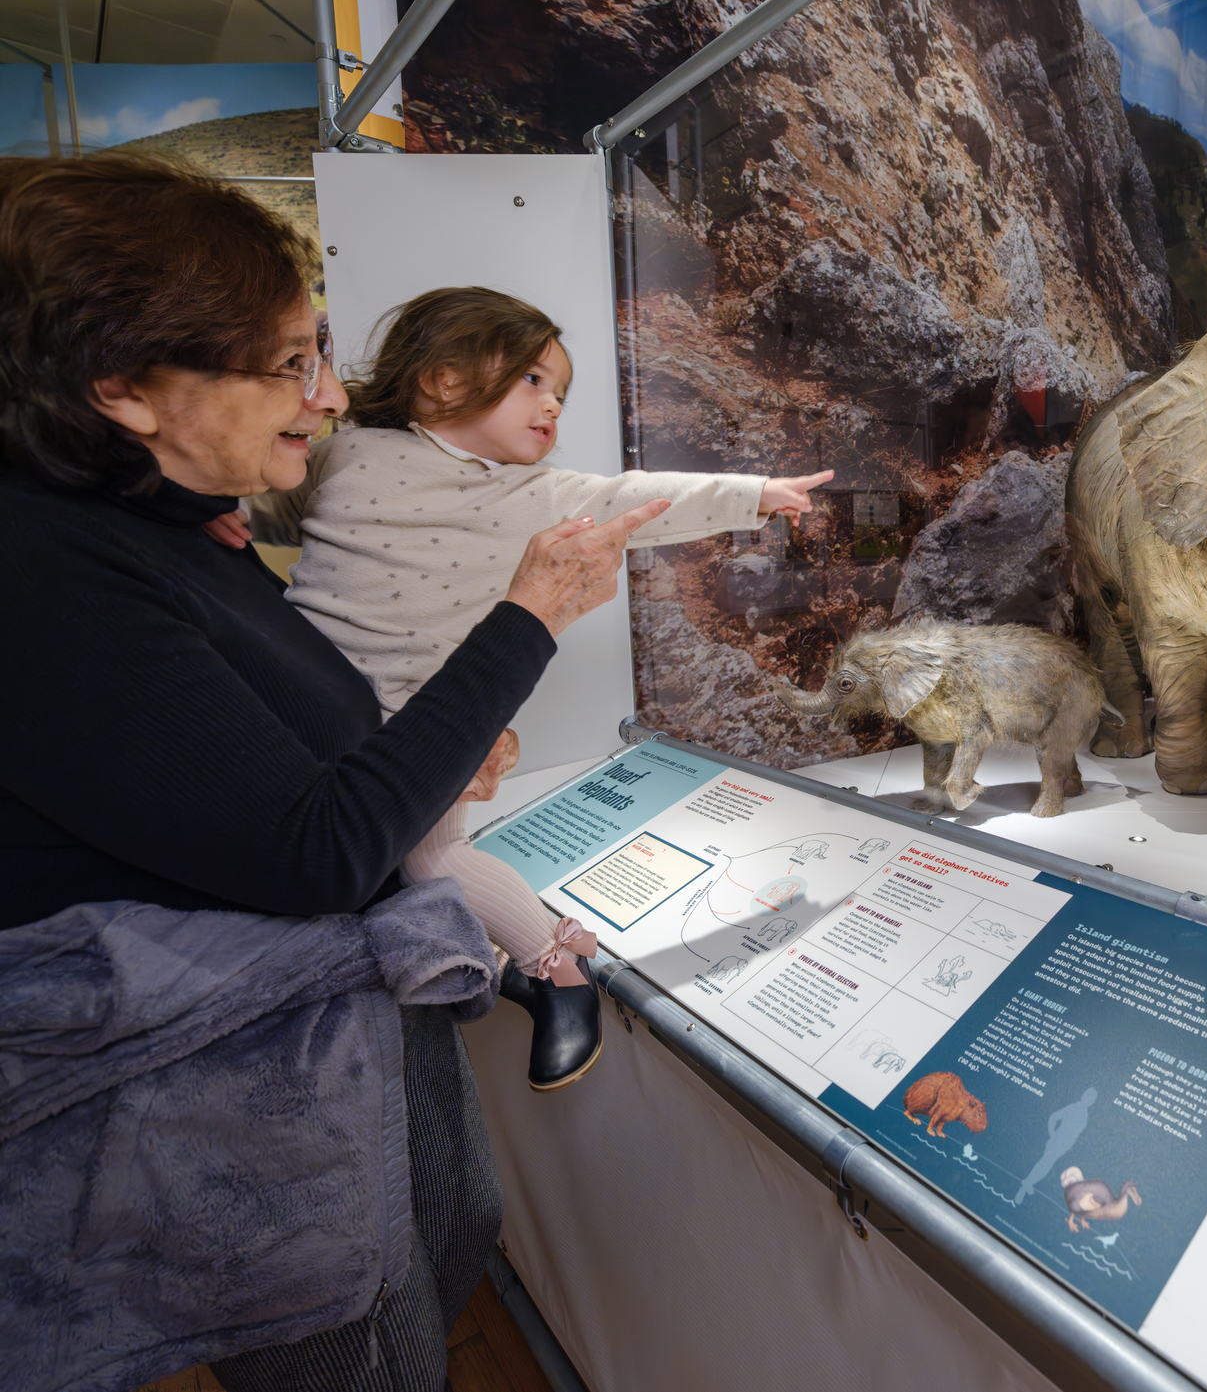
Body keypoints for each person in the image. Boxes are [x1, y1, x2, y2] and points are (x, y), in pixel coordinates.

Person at [0, 153, 655, 1390]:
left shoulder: (169, 523)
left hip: (340, 1026)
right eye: (290, 362)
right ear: (124, 387)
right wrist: (525, 622)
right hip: (243, 1102)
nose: (329, 394)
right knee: (368, 1355)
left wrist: (434, 755)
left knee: (450, 1235)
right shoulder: (48, 570)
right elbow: (308, 848)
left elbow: (292, 741)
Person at [222, 286, 832, 1091]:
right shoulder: (345, 452)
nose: (553, 408)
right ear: (444, 380)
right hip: (296, 702)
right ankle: (493, 957)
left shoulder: (535, 499)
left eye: (562, 394)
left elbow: (642, 499)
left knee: (435, 861)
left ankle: (557, 972)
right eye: (535, 382)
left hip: (419, 729)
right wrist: (222, 511)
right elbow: (271, 500)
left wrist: (755, 495)